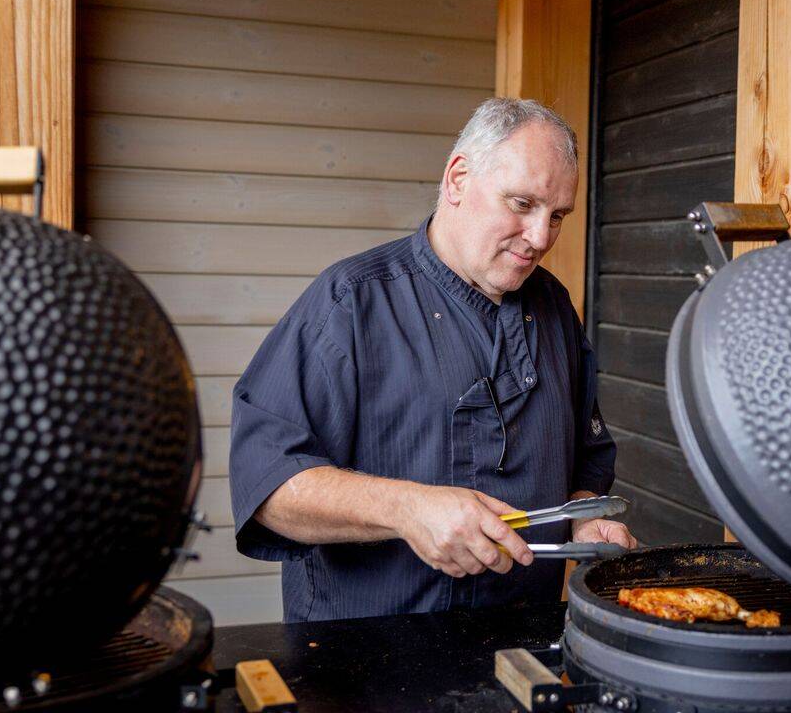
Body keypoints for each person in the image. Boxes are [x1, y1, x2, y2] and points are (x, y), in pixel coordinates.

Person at [229, 98, 635, 622]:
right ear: (458, 179)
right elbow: (269, 487)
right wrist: (407, 508)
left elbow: (585, 460)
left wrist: (583, 520)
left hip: (519, 650)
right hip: (363, 664)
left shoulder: (554, 306)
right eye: (521, 204)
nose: (540, 238)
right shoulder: (349, 303)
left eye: (557, 216)